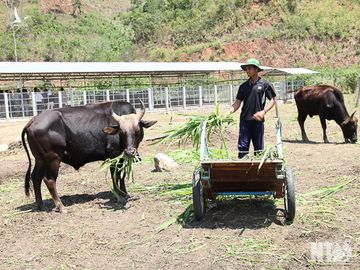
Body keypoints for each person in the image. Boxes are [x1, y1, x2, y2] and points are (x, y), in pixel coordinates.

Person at [229, 58, 276, 159]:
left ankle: (258, 172)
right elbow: (237, 102)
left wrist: (263, 112)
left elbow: (272, 100)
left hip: (258, 121)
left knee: (258, 149)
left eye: (249, 68)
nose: (247, 71)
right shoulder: (243, 86)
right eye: (246, 69)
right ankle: (242, 170)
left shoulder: (265, 84)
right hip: (245, 121)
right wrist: (230, 111)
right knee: (243, 148)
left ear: (256, 70)